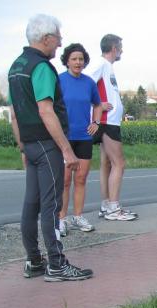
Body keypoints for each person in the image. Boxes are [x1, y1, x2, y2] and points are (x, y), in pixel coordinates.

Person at [8, 14, 92, 281]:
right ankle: (57, 264)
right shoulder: (41, 67)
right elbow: (46, 110)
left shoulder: (16, 66)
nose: (60, 43)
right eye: (57, 37)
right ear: (46, 38)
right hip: (47, 144)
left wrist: (22, 146)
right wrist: (66, 150)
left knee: (30, 204)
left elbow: (14, 113)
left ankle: (34, 261)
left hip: (30, 144)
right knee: (51, 205)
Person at [91, 33, 136, 221]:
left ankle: (106, 204)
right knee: (119, 163)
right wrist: (98, 104)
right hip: (106, 121)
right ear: (114, 48)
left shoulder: (107, 66)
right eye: (120, 48)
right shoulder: (100, 64)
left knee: (107, 163)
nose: (122, 51)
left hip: (110, 120)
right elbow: (85, 82)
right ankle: (113, 208)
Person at [57, 42, 101, 236]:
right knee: (65, 180)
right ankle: (61, 219)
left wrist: (96, 122)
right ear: (67, 61)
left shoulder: (89, 82)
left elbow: (98, 105)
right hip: (65, 137)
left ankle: (78, 216)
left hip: (84, 137)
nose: (78, 62)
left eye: (81, 59)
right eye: (74, 59)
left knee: (81, 178)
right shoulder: (59, 80)